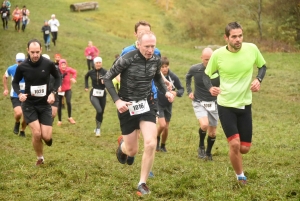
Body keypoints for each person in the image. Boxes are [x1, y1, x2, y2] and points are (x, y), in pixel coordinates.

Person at [104, 31, 174, 196]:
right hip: (127, 106)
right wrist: (117, 101)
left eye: (153, 46)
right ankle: (123, 146)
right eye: (147, 46)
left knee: (150, 143)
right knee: (132, 150)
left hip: (147, 104)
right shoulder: (127, 58)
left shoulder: (156, 59)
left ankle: (142, 183)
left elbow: (157, 77)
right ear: (138, 45)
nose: (150, 50)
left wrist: (166, 92)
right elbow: (107, 78)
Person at [203, 22, 267, 184]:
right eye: (234, 37)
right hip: (225, 105)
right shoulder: (218, 55)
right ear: (226, 38)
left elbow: (262, 66)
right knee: (234, 144)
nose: (238, 39)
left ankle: (237, 158)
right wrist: (211, 88)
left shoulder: (252, 49)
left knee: (244, 148)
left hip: (245, 104)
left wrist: (258, 79)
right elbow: (206, 75)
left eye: (240, 36)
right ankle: (240, 175)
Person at [11, 39, 61, 165]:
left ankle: (47, 139)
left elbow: (58, 77)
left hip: (44, 104)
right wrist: (20, 94)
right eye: (32, 52)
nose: (35, 55)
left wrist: (53, 92)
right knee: (37, 133)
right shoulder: (22, 66)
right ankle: (40, 158)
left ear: (41, 50)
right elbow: (15, 82)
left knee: (47, 137)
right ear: (27, 51)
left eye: (37, 52)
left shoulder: (48, 64)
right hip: (29, 104)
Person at [186, 47, 220, 160]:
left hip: (214, 103)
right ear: (201, 58)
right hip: (199, 101)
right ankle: (201, 145)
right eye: (206, 59)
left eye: (211, 59)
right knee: (204, 125)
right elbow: (188, 77)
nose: (208, 62)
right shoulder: (195, 69)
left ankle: (208, 153)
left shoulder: (219, 70)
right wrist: (189, 91)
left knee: (213, 133)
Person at [156, 56, 184, 152]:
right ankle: (156, 139)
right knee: (162, 125)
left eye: (166, 66)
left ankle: (163, 146)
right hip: (158, 103)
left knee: (166, 127)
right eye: (162, 67)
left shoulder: (173, 77)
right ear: (159, 67)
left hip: (168, 104)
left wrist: (175, 93)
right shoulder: (157, 77)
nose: (164, 68)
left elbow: (181, 89)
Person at [2, 52, 27, 137]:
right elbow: (4, 76)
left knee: (26, 116)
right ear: (16, 61)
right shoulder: (11, 68)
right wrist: (6, 89)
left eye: (22, 61)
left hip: (26, 95)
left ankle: (22, 130)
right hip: (15, 95)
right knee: (19, 113)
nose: (20, 63)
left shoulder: (29, 68)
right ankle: (17, 122)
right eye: (19, 61)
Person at [84, 57, 107, 136]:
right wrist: (86, 86)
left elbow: (110, 80)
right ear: (94, 64)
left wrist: (105, 82)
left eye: (99, 63)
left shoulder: (105, 72)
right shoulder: (91, 72)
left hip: (103, 94)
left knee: (101, 112)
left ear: (101, 63)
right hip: (94, 94)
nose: (98, 64)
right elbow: (86, 77)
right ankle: (98, 129)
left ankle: (98, 127)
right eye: (97, 63)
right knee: (99, 110)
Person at [57, 59, 77, 126]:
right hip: (60, 90)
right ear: (59, 65)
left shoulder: (68, 69)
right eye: (62, 65)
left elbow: (74, 72)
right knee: (59, 105)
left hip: (67, 89)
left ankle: (70, 117)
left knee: (68, 102)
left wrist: (73, 78)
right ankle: (59, 120)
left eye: (64, 65)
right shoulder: (57, 71)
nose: (63, 66)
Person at [42, 54, 60, 121]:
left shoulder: (54, 69)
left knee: (53, 114)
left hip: (53, 92)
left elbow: (59, 78)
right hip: (42, 94)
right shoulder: (38, 71)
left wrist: (58, 86)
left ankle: (48, 126)